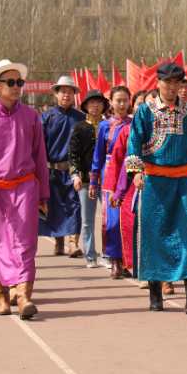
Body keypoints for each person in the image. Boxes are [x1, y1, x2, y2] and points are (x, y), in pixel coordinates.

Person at [127, 62, 187, 314]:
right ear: (158, 83)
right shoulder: (145, 111)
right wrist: (136, 171)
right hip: (153, 182)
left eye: (177, 83)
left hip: (182, 181)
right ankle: (155, 293)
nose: (172, 87)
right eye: (168, 82)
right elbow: (134, 142)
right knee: (154, 235)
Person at [0, 59, 49, 319]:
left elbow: (39, 157)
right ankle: (1, 294)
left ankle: (24, 296)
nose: (16, 87)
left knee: (25, 244)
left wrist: (43, 194)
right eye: (11, 82)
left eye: (19, 82)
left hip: (25, 187)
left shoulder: (31, 116)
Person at [39, 76, 85, 257]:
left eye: (70, 92)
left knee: (74, 206)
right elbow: (39, 145)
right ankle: (58, 243)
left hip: (73, 171)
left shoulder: (80, 118)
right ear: (56, 94)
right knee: (54, 207)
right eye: (63, 91)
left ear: (74, 95)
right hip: (51, 170)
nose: (66, 95)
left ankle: (73, 244)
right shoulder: (46, 117)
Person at [90, 86, 132, 279]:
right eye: (118, 100)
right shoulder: (105, 126)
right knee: (113, 220)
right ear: (111, 102)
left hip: (130, 172)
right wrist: (93, 180)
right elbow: (98, 154)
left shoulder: (135, 124)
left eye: (125, 100)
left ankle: (128, 260)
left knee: (129, 218)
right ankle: (115, 260)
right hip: (111, 173)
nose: (122, 104)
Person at [69, 89, 109, 268]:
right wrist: (75, 175)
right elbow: (73, 154)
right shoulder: (79, 127)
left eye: (99, 102)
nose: (95, 106)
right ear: (85, 106)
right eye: (91, 102)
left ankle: (108, 254)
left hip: (107, 180)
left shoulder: (109, 125)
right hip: (85, 180)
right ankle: (90, 255)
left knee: (108, 219)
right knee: (87, 220)